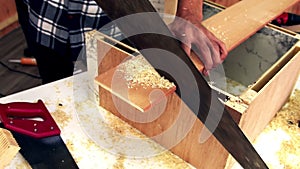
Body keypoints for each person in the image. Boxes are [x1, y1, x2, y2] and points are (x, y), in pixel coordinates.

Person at [16, 0, 227, 84]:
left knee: (114, 101)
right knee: (54, 92)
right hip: (44, 16)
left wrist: (189, 14)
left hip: (114, 22)